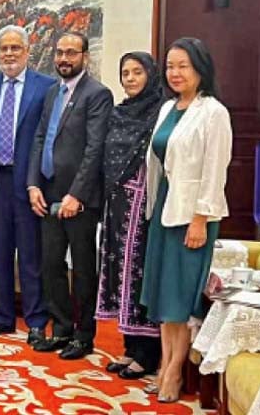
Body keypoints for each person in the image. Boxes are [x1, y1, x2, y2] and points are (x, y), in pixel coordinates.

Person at [140, 37, 232, 403]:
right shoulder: (167, 109)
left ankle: (176, 372)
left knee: (180, 297)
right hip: (164, 208)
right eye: (170, 66)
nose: (175, 73)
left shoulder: (214, 113)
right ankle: (164, 364)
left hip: (192, 214)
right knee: (164, 298)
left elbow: (215, 171)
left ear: (200, 69)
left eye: (183, 66)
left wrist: (200, 219)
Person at [28, 32, 113, 359]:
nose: (64, 58)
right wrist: (33, 184)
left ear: (85, 57)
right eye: (60, 52)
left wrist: (76, 194)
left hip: (79, 201)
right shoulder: (52, 93)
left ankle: (83, 334)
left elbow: (95, 149)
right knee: (51, 266)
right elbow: (39, 140)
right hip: (47, 193)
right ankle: (61, 329)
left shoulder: (98, 94)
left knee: (81, 269)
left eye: (71, 53)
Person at [0, 25, 55, 344]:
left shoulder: (46, 87)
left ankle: (35, 319)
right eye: (3, 48)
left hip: (30, 182)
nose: (8, 54)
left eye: (15, 48)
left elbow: (48, 138)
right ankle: (2, 316)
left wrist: (42, 182)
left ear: (27, 51)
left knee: (31, 255)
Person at [96, 52, 164, 379]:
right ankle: (129, 347)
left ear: (150, 75)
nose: (131, 79)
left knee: (138, 273)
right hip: (117, 202)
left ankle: (147, 354)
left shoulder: (160, 112)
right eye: (125, 73)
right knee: (120, 272)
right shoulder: (120, 112)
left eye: (138, 72)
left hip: (144, 204)